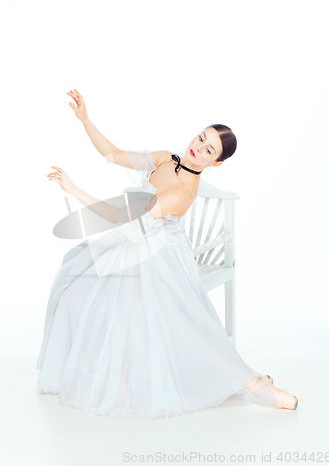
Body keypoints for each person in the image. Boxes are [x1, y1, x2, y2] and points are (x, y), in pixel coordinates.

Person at [36, 89, 298, 418]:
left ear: (215, 162)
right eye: (201, 138)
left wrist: (72, 189)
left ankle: (257, 384)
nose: (197, 147)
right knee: (75, 289)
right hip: (134, 239)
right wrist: (86, 119)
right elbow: (114, 154)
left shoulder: (183, 193)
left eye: (208, 150)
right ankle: (120, 374)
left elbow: (119, 217)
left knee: (183, 328)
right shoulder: (166, 157)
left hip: (157, 253)